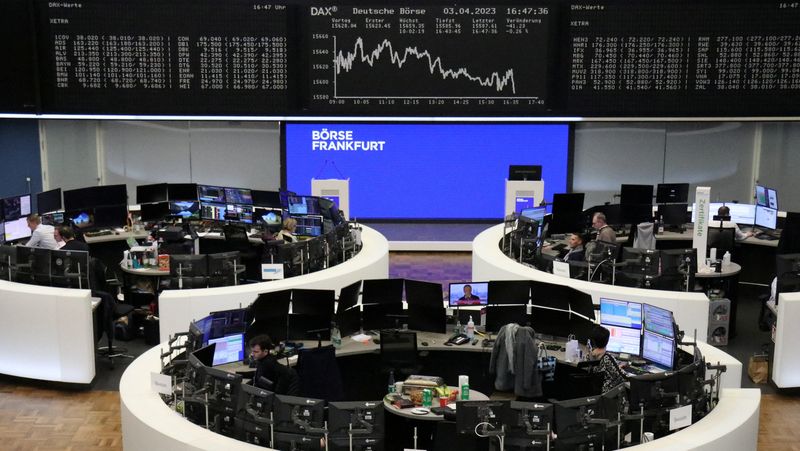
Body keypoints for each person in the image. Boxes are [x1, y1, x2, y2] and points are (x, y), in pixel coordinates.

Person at [589, 325, 627, 392]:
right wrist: (619, 369)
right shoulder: (607, 358)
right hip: (608, 396)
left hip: (596, 394)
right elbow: (624, 377)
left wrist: (617, 367)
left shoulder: (591, 356)